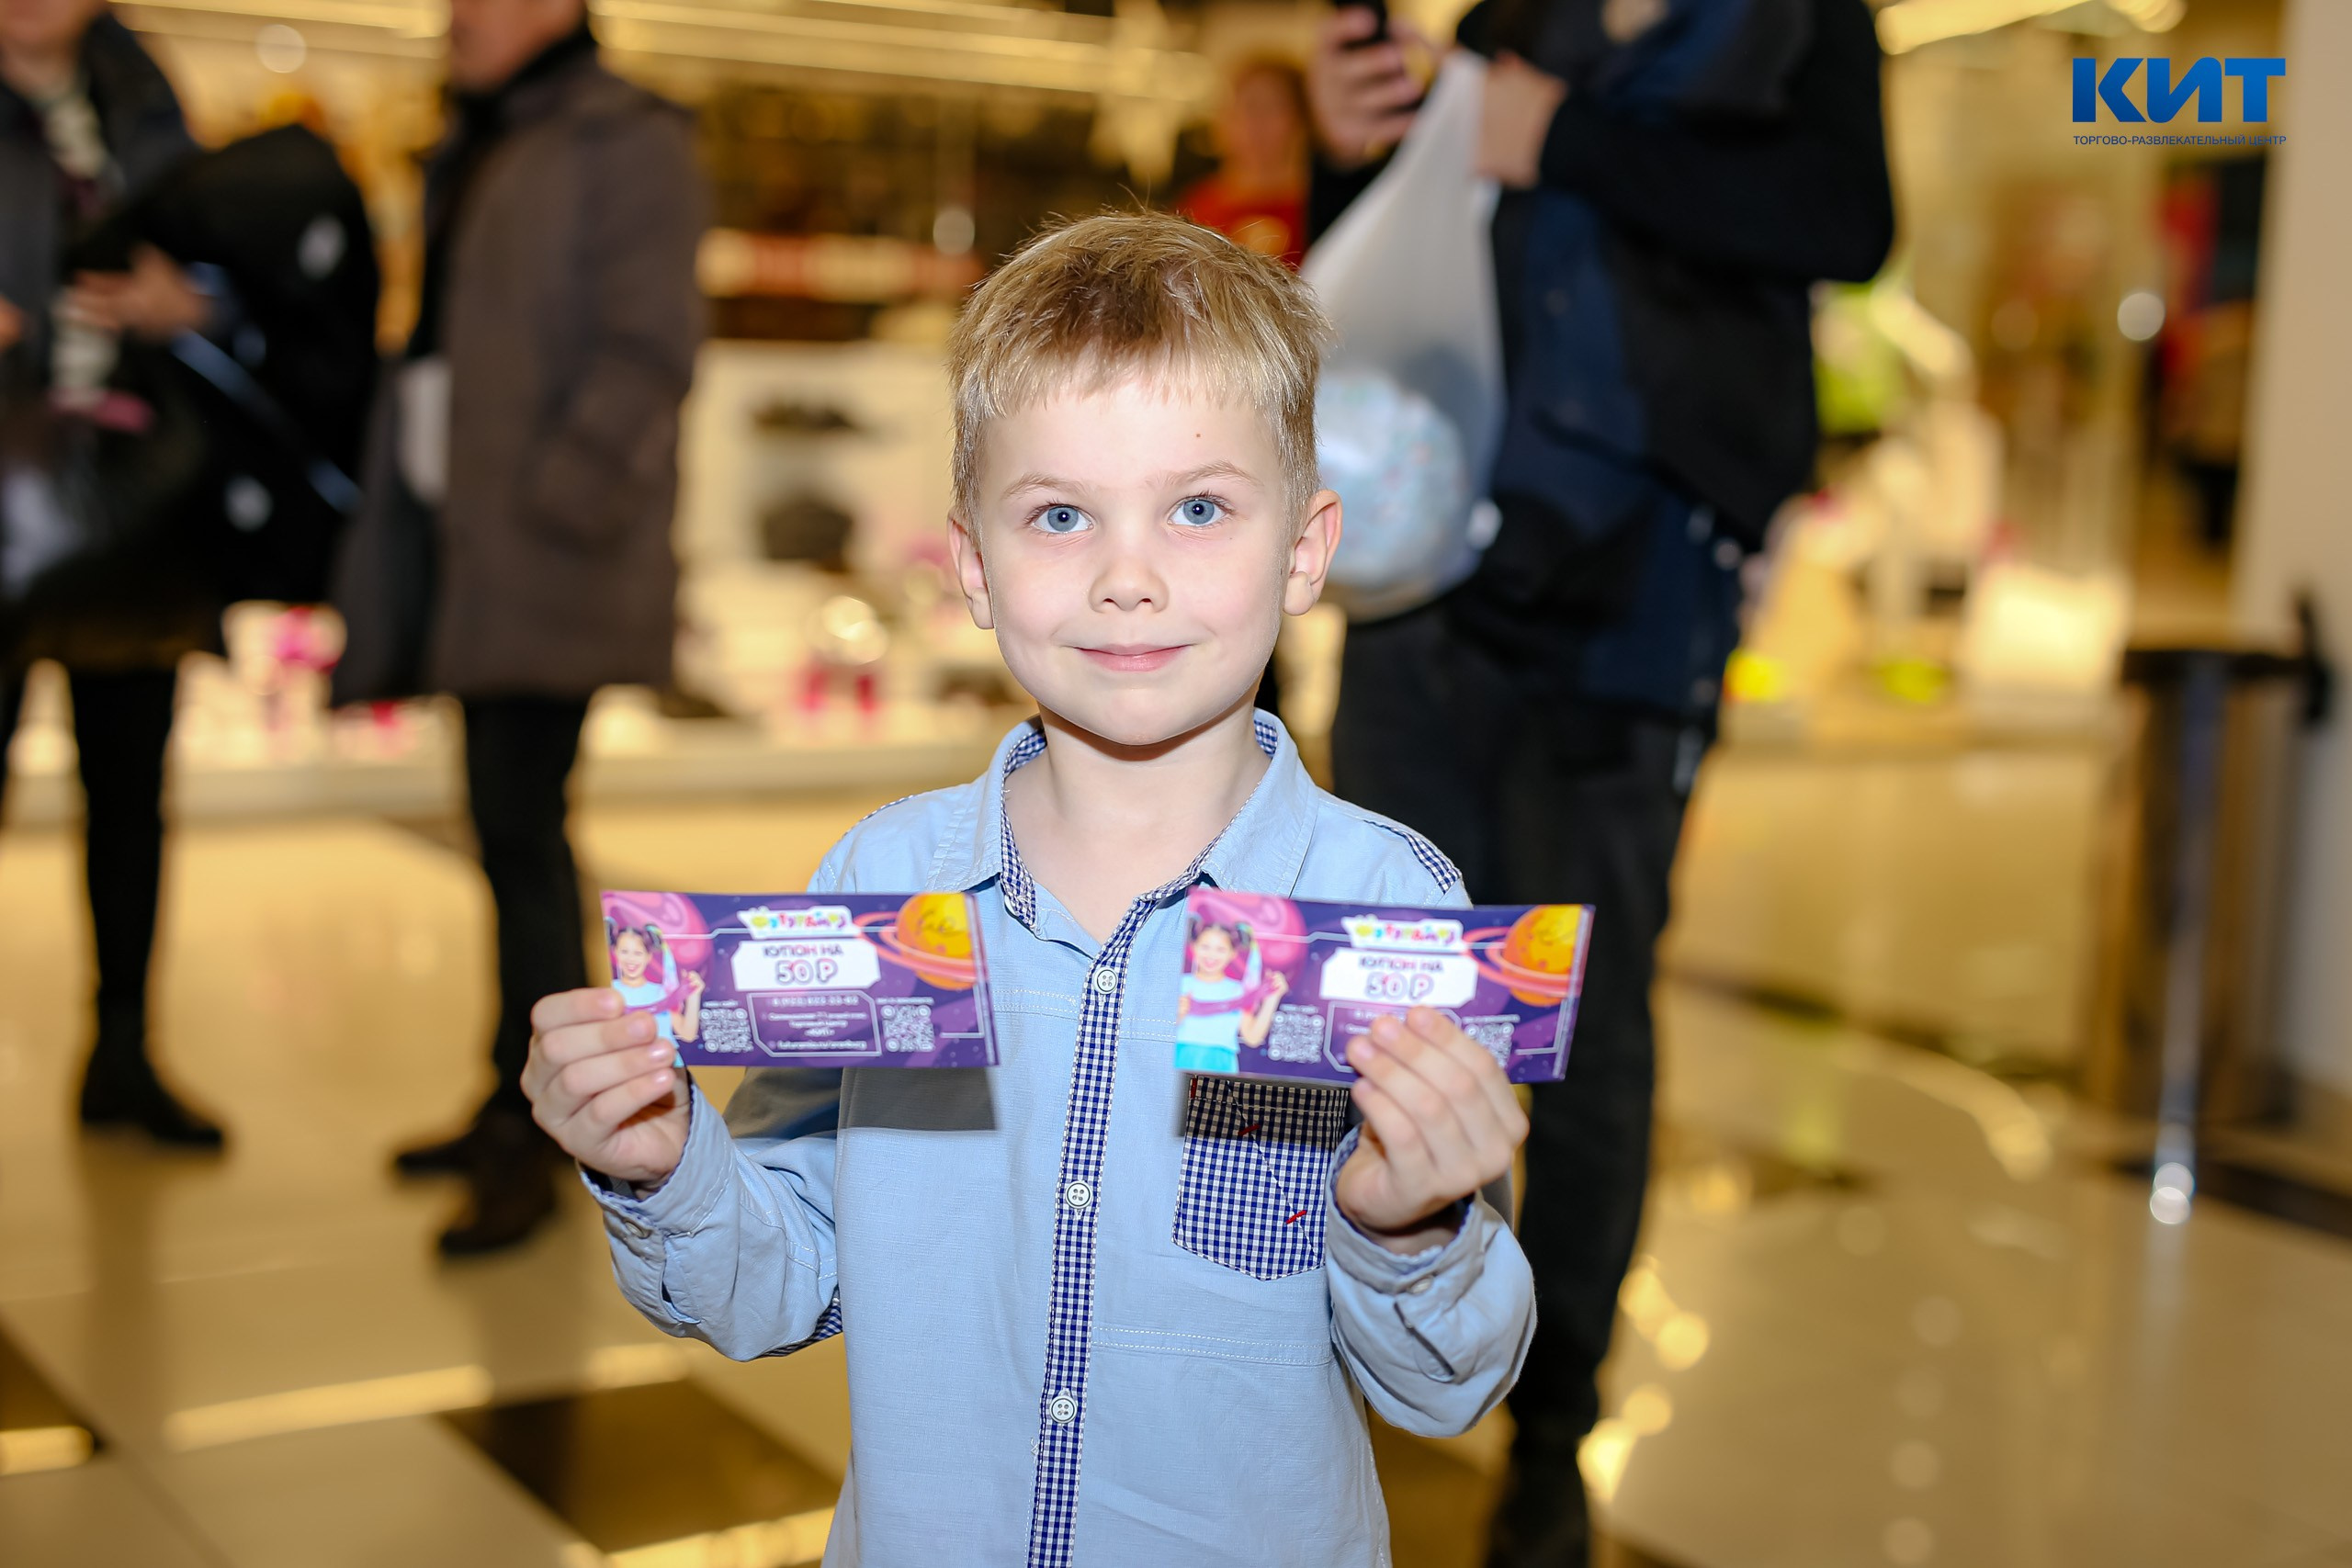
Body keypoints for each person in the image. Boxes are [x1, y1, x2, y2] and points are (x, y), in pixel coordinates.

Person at [523, 214, 1536, 1566]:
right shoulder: (887, 887)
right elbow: (780, 1281)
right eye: (1060, 515)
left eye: (1199, 508)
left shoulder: (1384, 910)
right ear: (973, 567)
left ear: (1305, 548)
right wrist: (663, 1162)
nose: (1128, 578)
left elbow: (1450, 1383)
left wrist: (1407, 1222)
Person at [1306, 3, 1894, 1563]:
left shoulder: (1798, 23)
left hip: (1640, 603)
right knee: (1365, 989)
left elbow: (1846, 221)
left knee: (1584, 1029)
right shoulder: (1513, 16)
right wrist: (1347, 148)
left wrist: (1563, 137)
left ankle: (1553, 1429)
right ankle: (1322, 1365)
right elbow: (1381, 264)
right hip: (1430, 580)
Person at [331, 0, 706, 1253]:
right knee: (507, 830)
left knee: (522, 831)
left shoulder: (624, 138)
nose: (455, 19)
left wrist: (556, 499)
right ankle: (517, 1092)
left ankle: (548, 1131)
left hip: (548, 553)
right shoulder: (490, 131)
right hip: (478, 544)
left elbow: (648, 346)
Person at [2, 0, 224, 1146]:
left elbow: (231, 265)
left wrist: (189, 307)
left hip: (129, 505)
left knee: (131, 799)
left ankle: (124, 1055)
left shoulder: (144, 101)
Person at [1176, 57, 1313, 269]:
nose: (1256, 123)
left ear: (1301, 120)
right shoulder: (1199, 207)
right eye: (1246, 107)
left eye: (1271, 108)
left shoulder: (1316, 209)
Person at [1175, 919, 1285, 1073]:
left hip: (1221, 1064)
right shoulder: (1177, 984)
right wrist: (1177, 1016)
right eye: (1205, 947)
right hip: (1178, 1058)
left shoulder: (1239, 992)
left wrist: (1272, 999)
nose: (1211, 955)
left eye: (1220, 949)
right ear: (1194, 947)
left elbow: (1252, 1037)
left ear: (1232, 954)